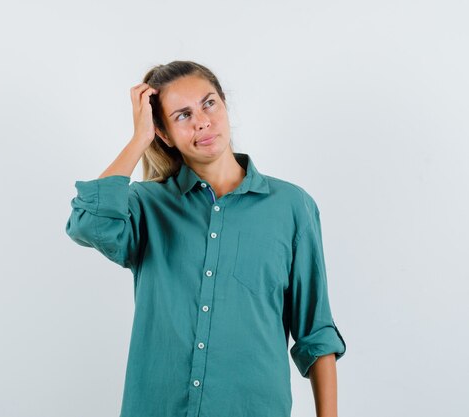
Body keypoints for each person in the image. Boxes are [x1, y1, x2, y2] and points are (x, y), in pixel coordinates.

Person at [65, 60, 346, 417]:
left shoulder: (292, 207)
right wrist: (139, 140)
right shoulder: (146, 205)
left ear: (224, 105)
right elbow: (86, 224)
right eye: (182, 115)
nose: (201, 120)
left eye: (208, 103)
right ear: (162, 133)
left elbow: (315, 332)